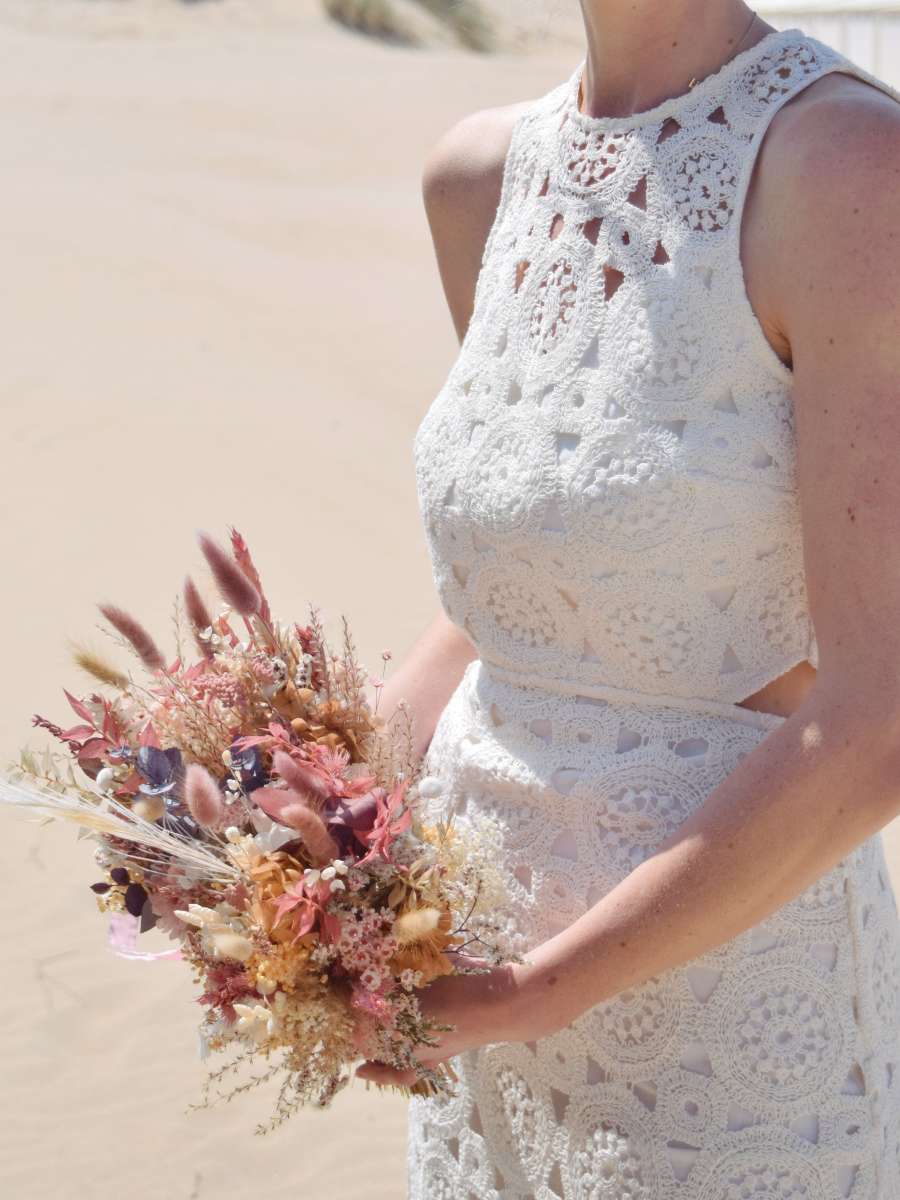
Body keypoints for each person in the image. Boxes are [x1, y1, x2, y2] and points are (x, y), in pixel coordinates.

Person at [359, 3, 900, 1195]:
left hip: (727, 1020)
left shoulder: (849, 167)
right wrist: (313, 822)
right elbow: (532, 596)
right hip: (474, 1002)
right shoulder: (476, 179)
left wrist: (532, 993)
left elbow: (880, 720)